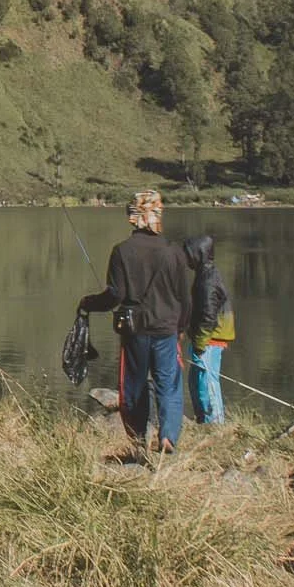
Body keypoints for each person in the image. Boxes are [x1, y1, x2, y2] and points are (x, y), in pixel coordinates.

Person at [78, 190, 192, 454]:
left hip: (134, 331)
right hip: (166, 329)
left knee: (134, 385)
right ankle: (168, 437)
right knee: (169, 384)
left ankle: (138, 439)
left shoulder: (121, 251)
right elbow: (184, 299)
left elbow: (114, 296)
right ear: (157, 215)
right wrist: (182, 329)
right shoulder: (173, 252)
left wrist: (88, 303)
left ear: (133, 217)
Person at [183, 234, 234, 425]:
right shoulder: (205, 274)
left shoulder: (208, 280)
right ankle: (203, 420)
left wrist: (200, 343)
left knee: (208, 382)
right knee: (196, 382)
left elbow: (208, 316)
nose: (186, 258)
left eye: (189, 254)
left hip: (210, 339)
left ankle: (216, 423)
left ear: (199, 254)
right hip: (204, 338)